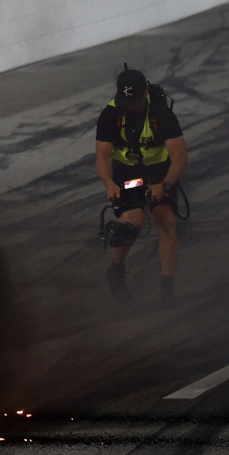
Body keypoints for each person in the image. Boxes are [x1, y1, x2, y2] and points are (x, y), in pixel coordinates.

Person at [97, 65, 189, 307]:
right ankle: (116, 269)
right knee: (131, 224)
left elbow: (179, 156)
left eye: (136, 101)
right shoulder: (110, 115)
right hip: (125, 170)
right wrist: (109, 182)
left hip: (159, 169)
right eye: (127, 102)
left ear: (146, 91)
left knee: (165, 219)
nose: (131, 107)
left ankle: (167, 285)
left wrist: (165, 183)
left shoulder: (161, 112)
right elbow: (102, 156)